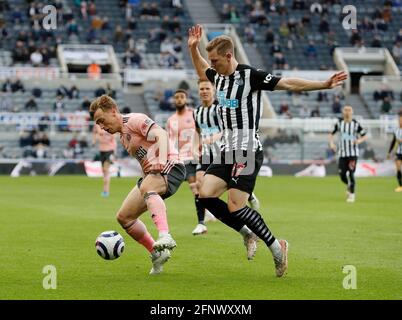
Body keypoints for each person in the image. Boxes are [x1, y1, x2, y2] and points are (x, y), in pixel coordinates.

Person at [188, 24, 347, 277]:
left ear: (229, 56)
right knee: (204, 195)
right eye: (212, 61)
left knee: (235, 206)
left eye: (216, 60)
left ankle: (276, 247)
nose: (213, 65)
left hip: (247, 150)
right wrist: (192, 48)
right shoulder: (218, 76)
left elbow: (288, 83)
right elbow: (201, 68)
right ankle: (247, 234)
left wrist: (323, 85)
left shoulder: (250, 76)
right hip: (227, 150)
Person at [90, 94, 185, 275]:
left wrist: (161, 161)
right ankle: (157, 253)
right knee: (124, 217)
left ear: (113, 111)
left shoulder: (135, 120)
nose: (102, 127)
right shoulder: (123, 138)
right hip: (152, 174)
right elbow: (144, 161)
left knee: (148, 188)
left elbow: (161, 135)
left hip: (171, 166)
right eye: (98, 124)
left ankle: (165, 235)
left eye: (102, 121)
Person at [192, 79, 260, 248]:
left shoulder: (219, 108)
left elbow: (226, 129)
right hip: (206, 155)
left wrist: (213, 138)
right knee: (199, 184)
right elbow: (197, 132)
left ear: (213, 91)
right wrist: (194, 147)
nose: (204, 91)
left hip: (224, 152)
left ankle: (249, 195)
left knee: (229, 187)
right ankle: (201, 222)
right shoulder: (197, 112)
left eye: (207, 88)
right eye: (201, 89)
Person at [329, 106, 368, 203]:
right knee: (342, 175)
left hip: (353, 154)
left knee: (351, 173)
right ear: (343, 112)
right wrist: (331, 143)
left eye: (349, 110)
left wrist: (358, 141)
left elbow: (364, 136)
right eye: (345, 110)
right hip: (342, 153)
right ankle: (348, 185)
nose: (347, 112)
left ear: (352, 112)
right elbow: (331, 134)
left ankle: (352, 194)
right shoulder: (339, 124)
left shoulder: (355, 124)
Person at [92, 123, 117, 197]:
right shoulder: (97, 125)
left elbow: (114, 138)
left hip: (109, 150)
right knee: (104, 171)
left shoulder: (109, 125)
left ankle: (106, 191)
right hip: (102, 150)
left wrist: (115, 152)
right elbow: (95, 133)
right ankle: (105, 190)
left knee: (106, 170)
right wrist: (94, 141)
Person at [386, 111, 402, 192]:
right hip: (399, 153)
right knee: (398, 169)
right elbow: (393, 142)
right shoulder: (396, 131)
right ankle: (400, 186)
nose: (400, 122)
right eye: (399, 121)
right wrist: (389, 152)